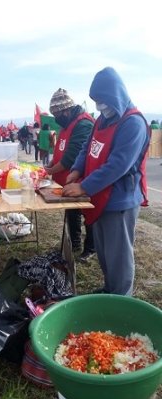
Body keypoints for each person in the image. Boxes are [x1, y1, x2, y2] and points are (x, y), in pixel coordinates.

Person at [63, 67, 150, 296]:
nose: (100, 107)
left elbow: (117, 165)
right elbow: (86, 147)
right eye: (97, 102)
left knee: (118, 255)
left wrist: (83, 186)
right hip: (99, 196)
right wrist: (76, 169)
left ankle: (121, 298)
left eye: (103, 101)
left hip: (119, 200)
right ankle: (110, 289)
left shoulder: (133, 123)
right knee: (104, 251)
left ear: (116, 96)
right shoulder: (102, 119)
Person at [45, 88, 96, 261]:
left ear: (66, 111)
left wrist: (50, 171)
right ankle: (74, 243)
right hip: (66, 179)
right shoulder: (67, 124)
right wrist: (50, 163)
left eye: (57, 114)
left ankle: (91, 248)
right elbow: (61, 148)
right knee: (72, 211)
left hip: (81, 177)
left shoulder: (83, 124)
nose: (56, 118)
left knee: (87, 213)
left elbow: (71, 156)